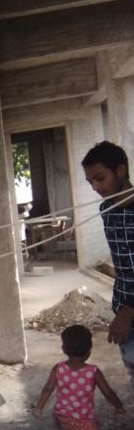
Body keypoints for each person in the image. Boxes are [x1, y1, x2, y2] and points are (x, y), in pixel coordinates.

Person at [33, 325, 125, 430]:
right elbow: (108, 392)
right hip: (84, 423)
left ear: (63, 349)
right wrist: (119, 407)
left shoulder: (58, 368)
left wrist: (39, 407)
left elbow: (47, 389)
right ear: (90, 349)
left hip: (62, 419)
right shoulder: (93, 372)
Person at [83, 141, 134, 385]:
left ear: (121, 171)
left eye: (100, 178)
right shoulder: (107, 209)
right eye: (90, 181)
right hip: (123, 306)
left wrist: (128, 312)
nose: (95, 187)